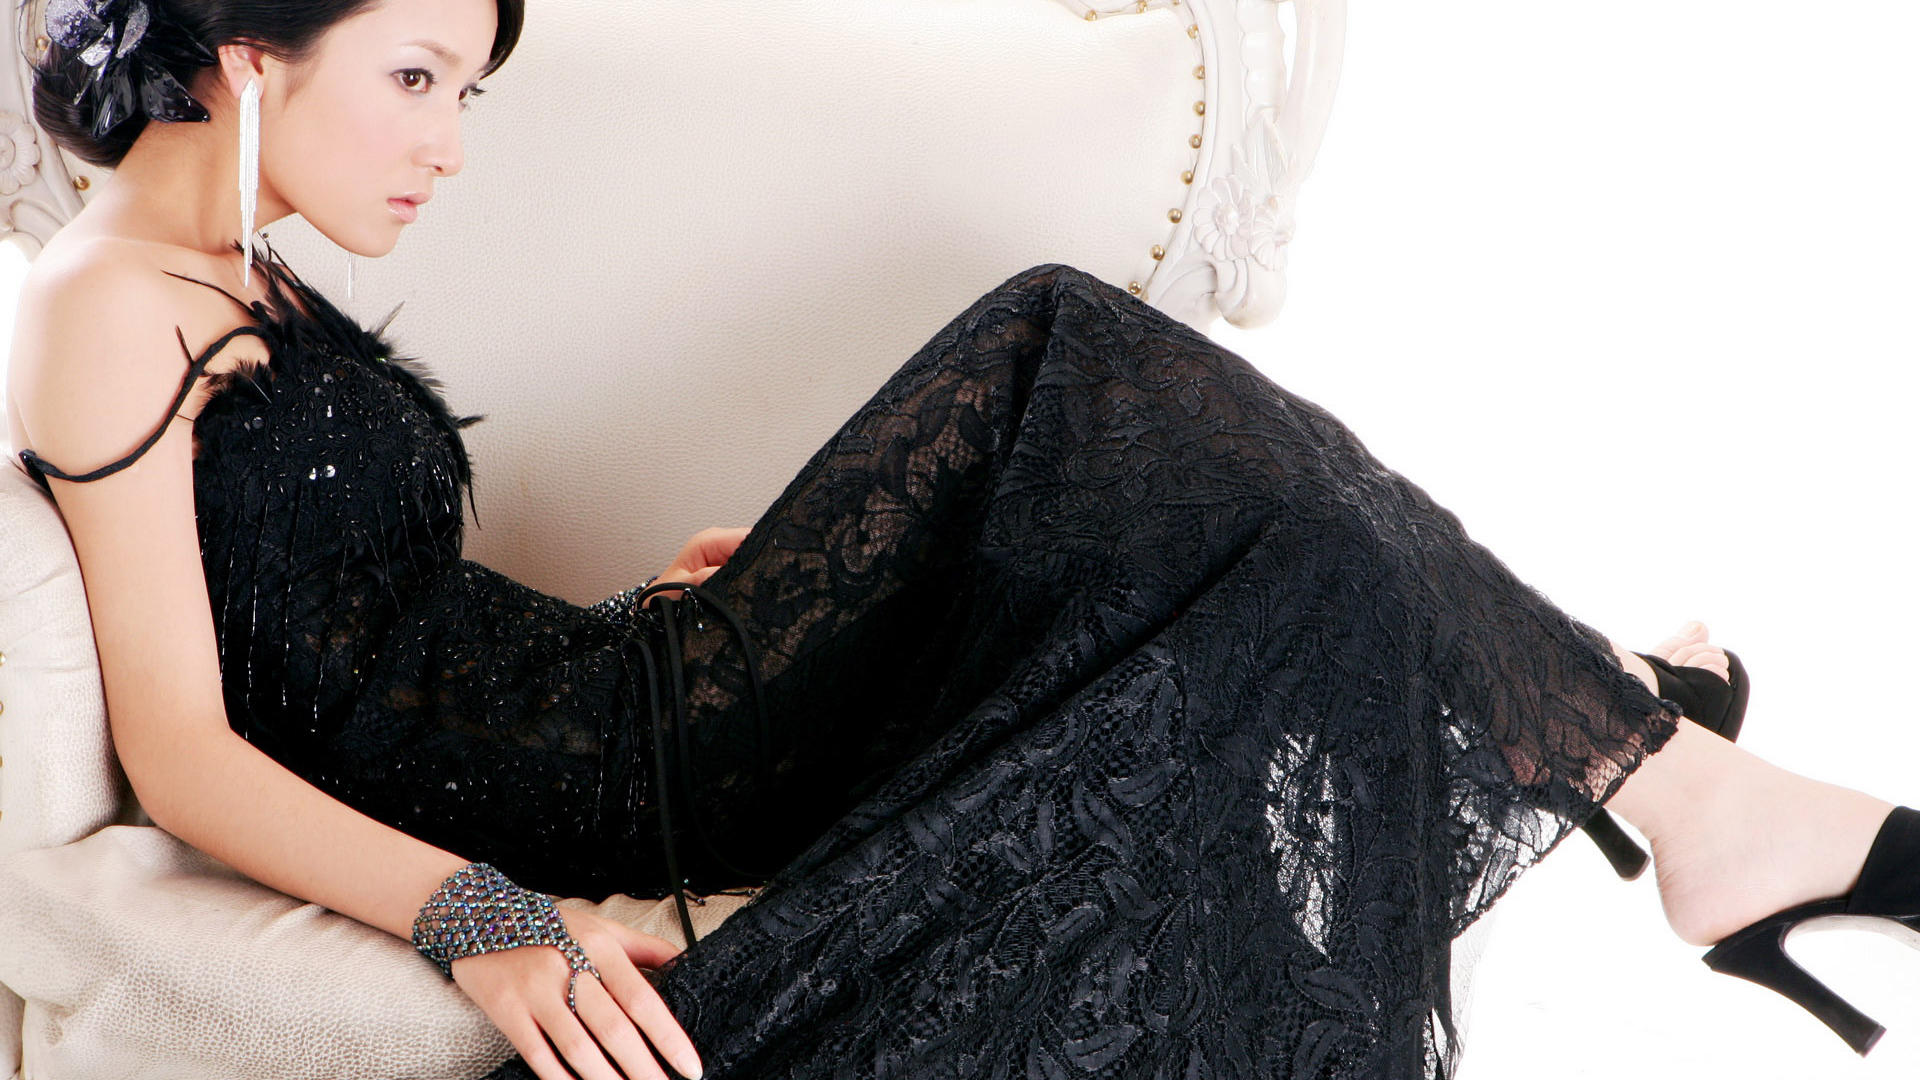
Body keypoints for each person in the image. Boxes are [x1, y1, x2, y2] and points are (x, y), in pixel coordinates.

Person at [3, 2, 1911, 1078]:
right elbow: (181, 748)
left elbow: (368, 610)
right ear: (250, 54)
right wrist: (489, 921)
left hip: (619, 683)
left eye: (466, 96)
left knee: (1188, 511)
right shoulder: (100, 305)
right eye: (417, 77)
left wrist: (670, 603)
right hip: (592, 777)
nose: (447, 143)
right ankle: (1645, 763)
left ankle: (1631, 750)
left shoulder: (236, 274)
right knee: (1062, 350)